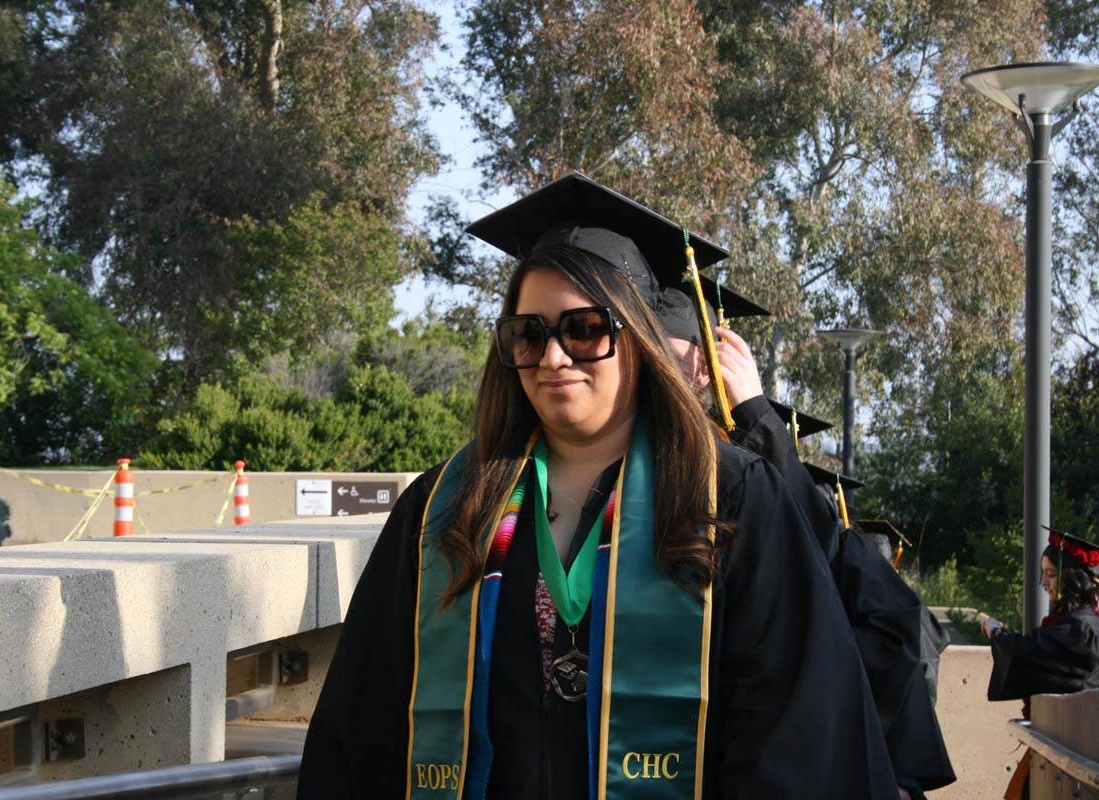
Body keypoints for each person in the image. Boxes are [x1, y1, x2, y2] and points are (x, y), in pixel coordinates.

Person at [298, 173, 900, 799]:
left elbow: (797, 732)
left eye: (584, 329)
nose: (554, 357)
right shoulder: (446, 506)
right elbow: (364, 726)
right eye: (528, 334)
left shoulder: (730, 497)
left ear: (637, 338)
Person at [652, 288, 955, 798]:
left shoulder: (744, 479)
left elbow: (883, 619)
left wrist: (884, 764)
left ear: (704, 365)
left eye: (664, 344)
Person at [981, 528, 1099, 799]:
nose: (1044, 583)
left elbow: (1029, 654)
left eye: (1050, 574)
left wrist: (995, 631)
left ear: (1072, 579)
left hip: (1077, 750)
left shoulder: (1080, 629)